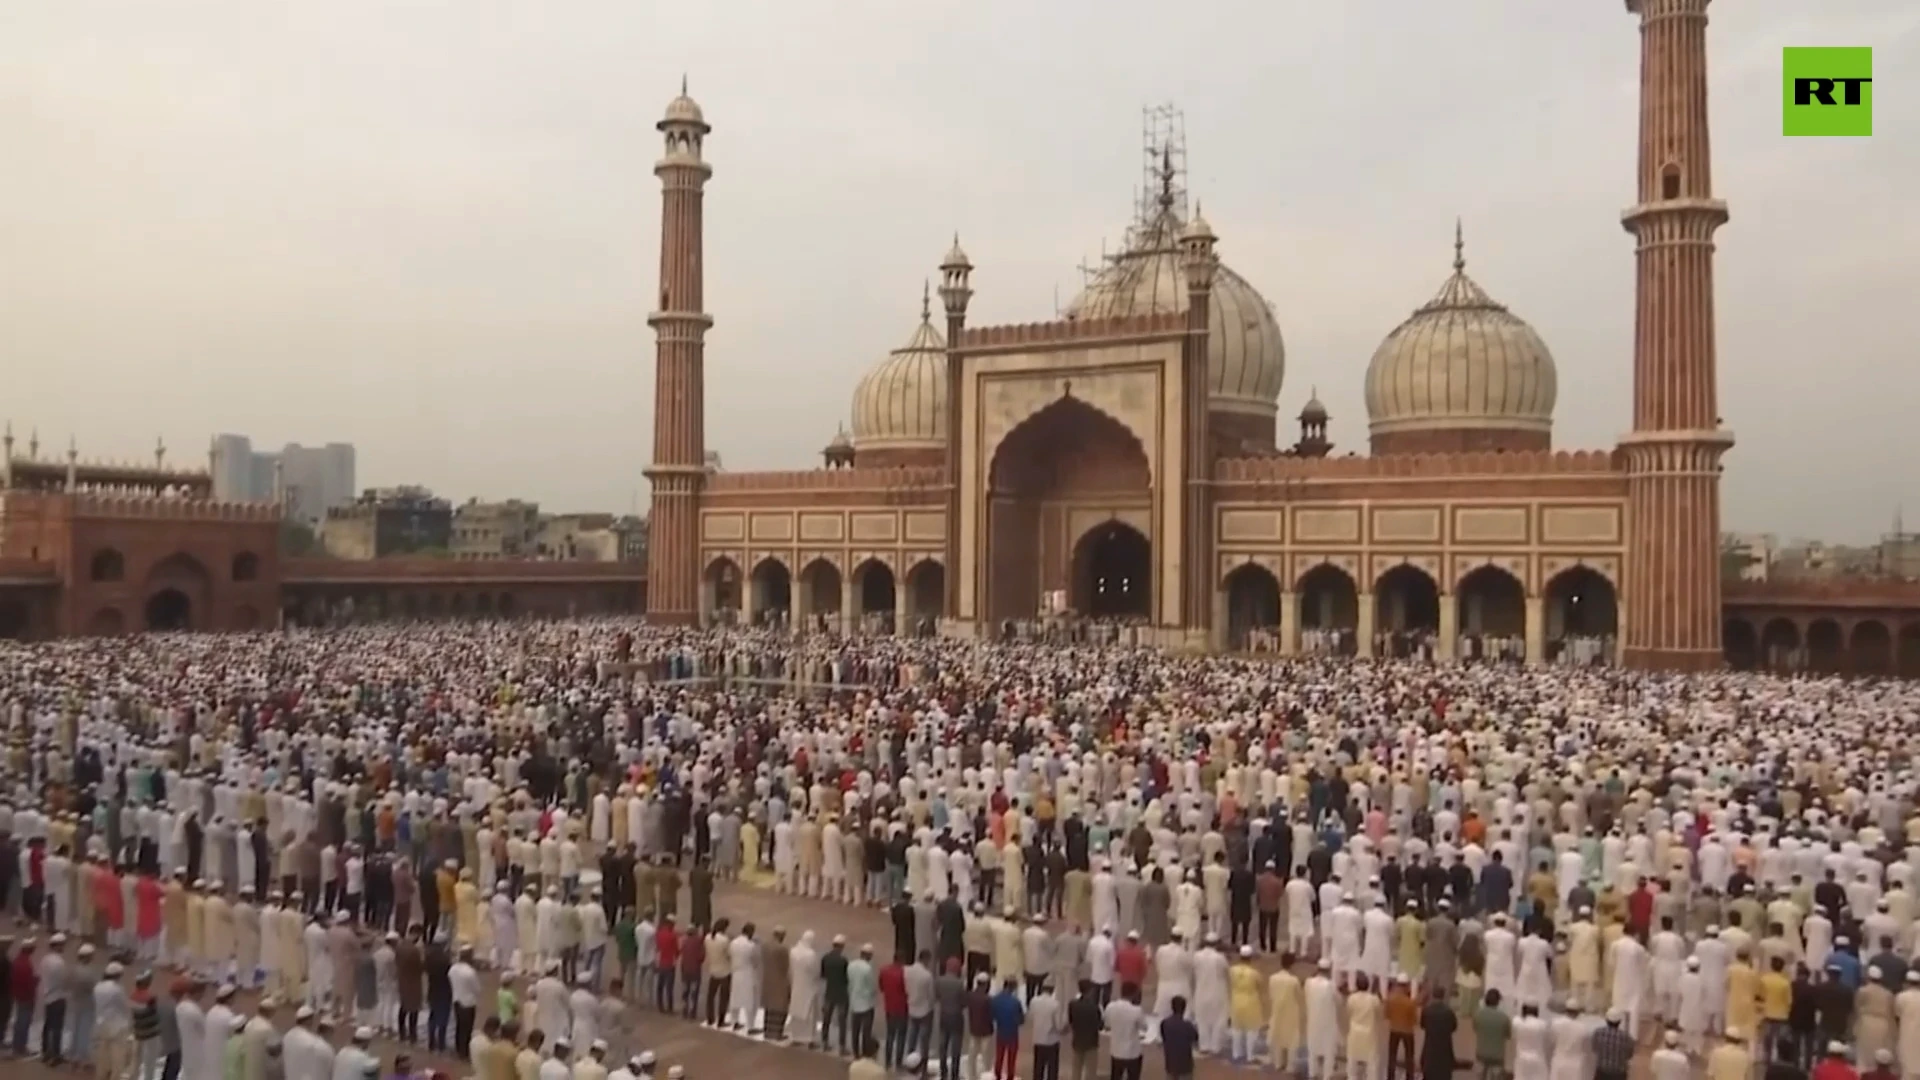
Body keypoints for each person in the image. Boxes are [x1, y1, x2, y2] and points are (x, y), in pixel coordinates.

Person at [1103, 983, 1146, 1080]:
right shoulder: (1136, 1010)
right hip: (1133, 1052)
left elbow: (1107, 1025)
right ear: (1133, 994)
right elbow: (1144, 1027)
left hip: (1116, 1051)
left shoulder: (1110, 1007)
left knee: (1115, 1076)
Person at [989, 976, 1025, 1080]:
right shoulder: (1015, 1002)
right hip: (1012, 1033)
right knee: (1011, 1058)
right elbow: (1021, 1020)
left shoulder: (995, 1000)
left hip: (1000, 1032)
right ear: (1013, 988)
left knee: (999, 1056)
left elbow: (992, 1016)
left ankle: (998, 1075)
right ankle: (1010, 1077)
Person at [1158, 995, 1199, 1080]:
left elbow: (1163, 1037)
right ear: (1184, 1008)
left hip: (1170, 1063)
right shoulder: (1187, 1025)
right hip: (1185, 1064)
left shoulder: (1164, 1023)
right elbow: (1195, 1038)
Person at [1475, 988, 1512, 1080]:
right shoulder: (1504, 1018)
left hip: (1481, 1053)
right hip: (1497, 1056)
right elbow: (1508, 1035)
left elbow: (1475, 1028)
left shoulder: (1478, 1014)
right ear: (1498, 1002)